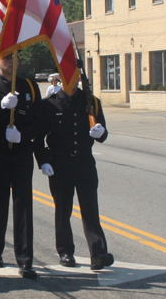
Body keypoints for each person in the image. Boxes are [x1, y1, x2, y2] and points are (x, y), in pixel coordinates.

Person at [0, 45, 43, 279]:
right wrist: (1, 107)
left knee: (23, 205)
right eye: (6, 57)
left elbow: (39, 121)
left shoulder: (30, 87)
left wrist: (23, 136)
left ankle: (25, 259)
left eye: (14, 56)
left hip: (22, 152)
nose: (11, 61)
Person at [35, 75, 114, 271]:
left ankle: (98, 254)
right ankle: (65, 251)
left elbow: (103, 134)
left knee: (90, 211)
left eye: (74, 75)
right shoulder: (50, 104)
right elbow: (38, 138)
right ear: (60, 78)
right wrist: (43, 161)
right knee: (63, 211)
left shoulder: (91, 101)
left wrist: (100, 133)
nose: (71, 79)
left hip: (85, 163)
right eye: (66, 74)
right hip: (60, 164)